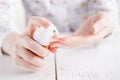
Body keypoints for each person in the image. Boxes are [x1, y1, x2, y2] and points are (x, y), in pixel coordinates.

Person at [0, 0, 119, 71]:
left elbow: (108, 10)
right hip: (40, 53)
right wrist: (12, 42)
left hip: (98, 56)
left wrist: (105, 22)